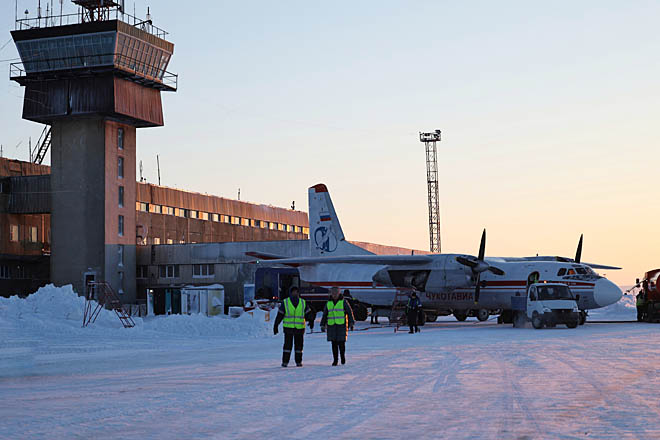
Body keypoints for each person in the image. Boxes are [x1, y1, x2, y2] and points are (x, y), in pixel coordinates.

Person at [273, 286, 315, 367]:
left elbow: (308, 313)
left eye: (296, 292)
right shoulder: (285, 302)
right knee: (287, 346)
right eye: (293, 292)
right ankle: (285, 362)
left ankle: (298, 362)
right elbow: (280, 315)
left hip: (299, 328)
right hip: (289, 328)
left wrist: (311, 320)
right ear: (290, 293)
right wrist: (276, 325)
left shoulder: (303, 302)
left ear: (298, 293)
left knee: (299, 346)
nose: (295, 293)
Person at [321, 287, 355, 366]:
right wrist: (323, 324)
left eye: (336, 294)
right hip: (332, 326)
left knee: (341, 343)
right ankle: (335, 360)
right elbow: (325, 314)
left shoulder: (343, 302)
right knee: (334, 343)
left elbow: (349, 313)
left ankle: (342, 358)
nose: (334, 295)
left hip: (341, 325)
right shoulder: (328, 303)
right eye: (333, 294)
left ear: (339, 293)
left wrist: (351, 323)